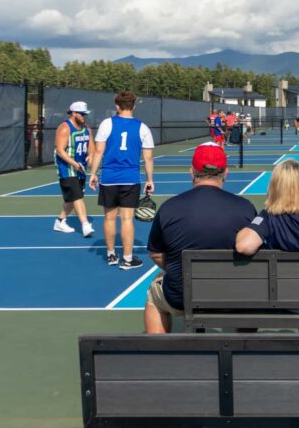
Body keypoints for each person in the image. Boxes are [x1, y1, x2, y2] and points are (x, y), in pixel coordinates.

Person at [145, 143, 256, 333]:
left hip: (183, 296)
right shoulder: (245, 208)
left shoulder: (169, 207)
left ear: (192, 172)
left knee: (153, 298)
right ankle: (243, 344)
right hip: (232, 294)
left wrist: (182, 269)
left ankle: (158, 348)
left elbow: (155, 253)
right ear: (225, 172)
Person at [88, 91, 156, 270]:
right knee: (127, 219)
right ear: (133, 106)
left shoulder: (107, 124)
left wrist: (93, 174)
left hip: (109, 178)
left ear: (117, 106)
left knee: (109, 218)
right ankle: (127, 259)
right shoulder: (142, 128)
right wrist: (150, 180)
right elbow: (148, 158)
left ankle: (111, 255)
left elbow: (98, 151)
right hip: (130, 179)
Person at [52, 101, 95, 238]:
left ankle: (60, 221)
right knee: (77, 195)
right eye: (82, 114)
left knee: (72, 198)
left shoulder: (86, 127)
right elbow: (60, 151)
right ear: (74, 113)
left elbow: (91, 146)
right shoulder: (65, 128)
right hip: (67, 167)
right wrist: (74, 163)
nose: (84, 116)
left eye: (85, 114)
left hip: (80, 167)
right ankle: (85, 224)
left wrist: (91, 155)